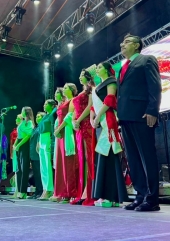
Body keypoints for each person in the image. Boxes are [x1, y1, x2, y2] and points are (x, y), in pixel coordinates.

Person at [117, 33, 162, 212]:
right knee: (133, 159)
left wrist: (152, 110)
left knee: (146, 157)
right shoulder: (122, 67)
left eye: (126, 42)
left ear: (137, 45)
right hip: (126, 116)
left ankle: (152, 199)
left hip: (142, 115)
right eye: (122, 42)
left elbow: (154, 86)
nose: (122, 45)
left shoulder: (146, 60)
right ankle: (140, 195)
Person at [91, 62, 129, 207]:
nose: (97, 69)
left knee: (110, 156)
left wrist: (98, 115)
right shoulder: (97, 86)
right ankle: (106, 195)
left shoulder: (111, 81)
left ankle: (111, 195)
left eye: (100, 67)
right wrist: (94, 118)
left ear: (107, 70)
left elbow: (110, 99)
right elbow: (95, 105)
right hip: (101, 122)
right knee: (103, 157)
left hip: (108, 121)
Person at [71, 69, 95, 206]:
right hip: (79, 126)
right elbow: (75, 109)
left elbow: (90, 106)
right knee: (81, 159)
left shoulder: (90, 90)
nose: (79, 77)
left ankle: (90, 192)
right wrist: (74, 120)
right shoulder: (81, 92)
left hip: (86, 125)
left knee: (89, 158)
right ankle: (82, 192)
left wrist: (79, 120)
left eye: (82, 75)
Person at [52, 84, 78, 203]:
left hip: (67, 132)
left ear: (72, 90)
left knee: (68, 163)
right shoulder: (63, 103)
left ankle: (70, 192)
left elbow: (69, 117)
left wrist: (59, 129)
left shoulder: (72, 100)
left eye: (66, 88)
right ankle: (61, 191)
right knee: (61, 163)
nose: (64, 90)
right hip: (60, 134)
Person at [12, 107, 35, 199]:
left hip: (25, 145)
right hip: (20, 145)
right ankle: (20, 191)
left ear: (26, 112)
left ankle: (23, 191)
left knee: (24, 168)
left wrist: (18, 145)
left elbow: (28, 135)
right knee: (19, 169)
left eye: (22, 111)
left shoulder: (29, 123)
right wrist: (15, 144)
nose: (21, 113)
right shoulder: (22, 122)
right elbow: (19, 135)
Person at [37, 100, 57, 200]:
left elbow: (53, 129)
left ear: (52, 106)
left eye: (46, 104)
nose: (44, 105)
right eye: (44, 104)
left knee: (48, 166)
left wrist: (52, 143)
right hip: (41, 140)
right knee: (43, 166)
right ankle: (45, 188)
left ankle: (50, 189)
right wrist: (38, 142)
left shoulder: (52, 114)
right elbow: (39, 130)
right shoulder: (45, 116)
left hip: (48, 138)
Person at [28, 112, 44, 199]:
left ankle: (41, 191)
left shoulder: (41, 128)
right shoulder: (35, 128)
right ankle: (37, 191)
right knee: (36, 174)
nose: (37, 118)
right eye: (37, 117)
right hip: (33, 154)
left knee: (39, 174)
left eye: (39, 117)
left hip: (38, 154)